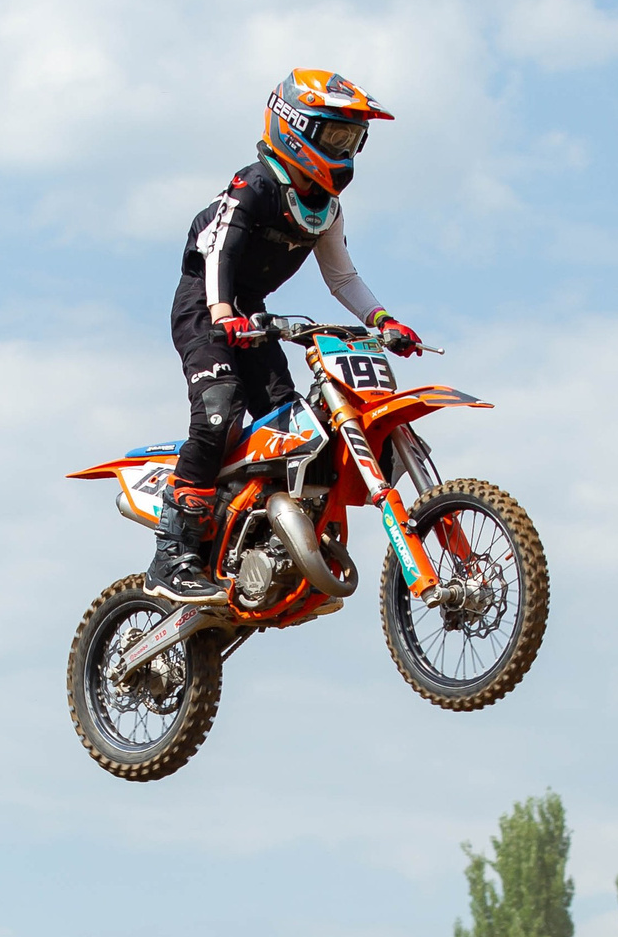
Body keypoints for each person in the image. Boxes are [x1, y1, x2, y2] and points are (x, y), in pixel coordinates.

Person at [147, 68, 425, 606]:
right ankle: (171, 552)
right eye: (335, 137)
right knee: (219, 410)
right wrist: (223, 310)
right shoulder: (254, 185)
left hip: (252, 316)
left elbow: (341, 276)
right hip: (206, 309)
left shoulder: (325, 209)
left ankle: (265, 536)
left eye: (352, 140)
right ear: (296, 128)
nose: (345, 150)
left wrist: (383, 320)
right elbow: (219, 251)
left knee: (293, 425)